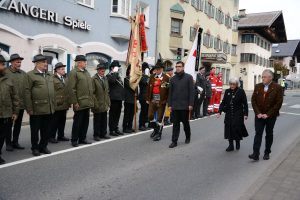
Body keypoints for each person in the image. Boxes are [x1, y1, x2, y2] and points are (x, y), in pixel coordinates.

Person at [249, 69, 283, 161]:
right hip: (259, 116)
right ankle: (255, 153)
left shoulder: (278, 87)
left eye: (264, 77)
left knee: (269, 134)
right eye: (262, 76)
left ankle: (267, 152)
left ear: (270, 78)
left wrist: (268, 114)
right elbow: (253, 100)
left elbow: (278, 103)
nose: (262, 78)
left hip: (270, 116)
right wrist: (258, 113)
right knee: (258, 134)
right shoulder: (258, 86)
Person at [25, 54, 55, 156]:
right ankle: (35, 148)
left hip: (49, 107)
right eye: (43, 62)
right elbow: (27, 92)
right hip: (36, 108)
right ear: (37, 63)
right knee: (35, 130)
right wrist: (29, 108)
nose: (46, 64)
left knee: (46, 130)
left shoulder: (49, 75)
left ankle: (43, 146)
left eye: (46, 62)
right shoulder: (30, 75)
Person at [68, 55, 94, 147]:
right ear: (79, 62)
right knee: (77, 122)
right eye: (84, 61)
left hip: (87, 102)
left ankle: (82, 138)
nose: (86, 63)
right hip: (79, 102)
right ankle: (74, 139)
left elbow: (90, 88)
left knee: (85, 122)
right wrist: (75, 102)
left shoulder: (86, 73)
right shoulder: (73, 73)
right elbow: (72, 89)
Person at [217, 77, 248, 151]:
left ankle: (237, 142)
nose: (232, 86)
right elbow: (223, 102)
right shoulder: (227, 91)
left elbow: (245, 103)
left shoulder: (241, 91)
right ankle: (231, 145)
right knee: (229, 128)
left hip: (238, 113)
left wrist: (246, 114)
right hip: (229, 113)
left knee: (236, 128)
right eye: (231, 84)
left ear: (237, 84)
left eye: (233, 84)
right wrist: (219, 111)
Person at [168, 61, 194, 148]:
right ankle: (174, 141)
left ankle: (188, 136)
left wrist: (190, 104)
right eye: (176, 66)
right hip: (175, 105)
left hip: (185, 105)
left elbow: (192, 92)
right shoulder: (172, 79)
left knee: (185, 123)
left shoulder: (189, 77)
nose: (177, 68)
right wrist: (169, 105)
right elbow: (170, 93)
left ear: (183, 67)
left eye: (179, 66)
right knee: (175, 124)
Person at [5, 53, 27, 150]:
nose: (19, 63)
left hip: (20, 105)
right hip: (9, 105)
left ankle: (15, 142)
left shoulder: (23, 74)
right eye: (17, 62)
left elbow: (26, 89)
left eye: (20, 62)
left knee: (18, 125)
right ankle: (8, 144)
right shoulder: (5, 72)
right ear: (12, 62)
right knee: (8, 126)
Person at [0, 55, 19, 164]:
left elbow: (14, 96)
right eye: (2, 65)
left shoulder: (8, 78)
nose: (4, 67)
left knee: (2, 136)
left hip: (6, 113)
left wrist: (15, 112)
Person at [146, 59, 170, 141]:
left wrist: (167, 100)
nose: (157, 70)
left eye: (159, 69)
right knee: (150, 116)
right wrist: (147, 98)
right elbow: (148, 88)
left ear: (162, 69)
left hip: (161, 100)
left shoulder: (166, 78)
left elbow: (168, 90)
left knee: (160, 118)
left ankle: (159, 134)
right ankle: (156, 129)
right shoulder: (152, 77)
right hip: (153, 99)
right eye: (156, 69)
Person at [49, 62, 70, 143]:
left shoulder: (65, 78)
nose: (63, 70)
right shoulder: (52, 79)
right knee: (54, 122)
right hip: (56, 104)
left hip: (64, 104)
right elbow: (51, 92)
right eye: (61, 69)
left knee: (62, 121)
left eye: (64, 69)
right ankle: (51, 136)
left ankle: (61, 136)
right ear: (57, 70)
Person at [92, 62, 111, 141]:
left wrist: (108, 102)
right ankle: (96, 135)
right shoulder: (94, 79)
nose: (103, 72)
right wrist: (95, 103)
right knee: (97, 120)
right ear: (98, 71)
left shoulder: (105, 78)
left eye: (104, 71)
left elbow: (107, 91)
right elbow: (92, 93)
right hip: (97, 103)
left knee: (104, 119)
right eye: (102, 71)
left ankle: (103, 133)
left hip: (104, 103)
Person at [107, 60, 125, 136]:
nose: (118, 69)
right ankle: (112, 130)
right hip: (113, 98)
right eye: (116, 67)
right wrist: (114, 72)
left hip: (119, 98)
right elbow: (113, 81)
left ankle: (115, 128)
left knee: (117, 114)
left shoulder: (117, 75)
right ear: (112, 68)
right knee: (112, 115)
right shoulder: (109, 75)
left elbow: (121, 86)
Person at [122, 65, 136, 133]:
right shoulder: (126, 79)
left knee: (131, 114)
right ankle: (125, 128)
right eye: (131, 70)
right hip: (128, 99)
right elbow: (132, 87)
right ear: (128, 70)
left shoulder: (135, 79)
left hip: (133, 99)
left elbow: (136, 89)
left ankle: (129, 127)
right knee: (127, 114)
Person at [138, 62, 150, 131]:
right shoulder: (141, 76)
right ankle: (141, 125)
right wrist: (145, 74)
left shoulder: (147, 76)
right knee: (143, 111)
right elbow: (144, 82)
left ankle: (144, 124)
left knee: (146, 111)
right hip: (143, 96)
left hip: (147, 97)